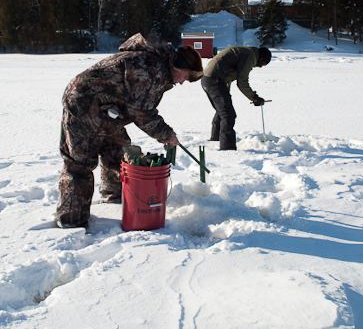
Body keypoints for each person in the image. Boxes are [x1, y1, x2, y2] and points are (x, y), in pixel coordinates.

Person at [56, 33, 203, 228]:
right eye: (186, 76)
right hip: (83, 105)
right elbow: (140, 111)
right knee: (79, 163)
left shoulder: (156, 66)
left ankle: (114, 196)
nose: (183, 81)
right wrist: (166, 134)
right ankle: (71, 221)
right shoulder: (151, 67)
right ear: (180, 67)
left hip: (107, 110)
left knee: (119, 149)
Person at [201, 46, 271, 151]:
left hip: (208, 79)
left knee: (222, 111)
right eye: (262, 64)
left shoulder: (245, 52)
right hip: (215, 80)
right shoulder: (249, 56)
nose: (259, 67)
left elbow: (227, 71)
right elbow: (242, 82)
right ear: (261, 59)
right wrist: (254, 97)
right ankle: (227, 148)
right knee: (228, 114)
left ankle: (216, 140)